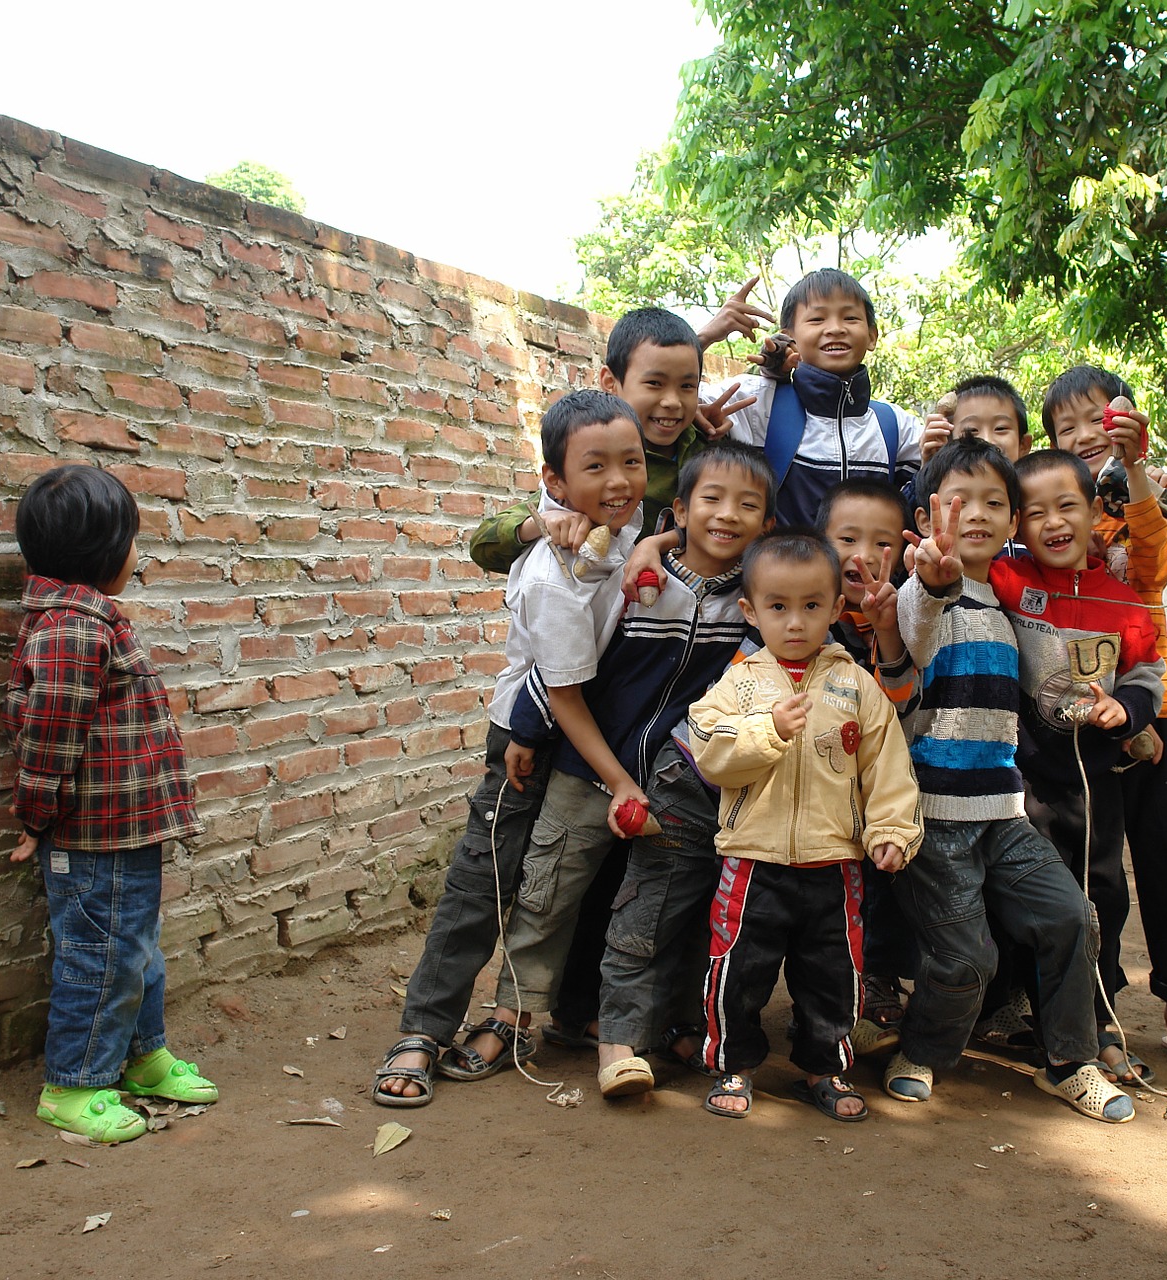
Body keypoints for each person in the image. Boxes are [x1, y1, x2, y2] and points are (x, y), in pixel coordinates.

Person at [371, 389, 647, 1106]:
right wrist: (616, 778)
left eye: (632, 462)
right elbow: (562, 696)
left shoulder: (627, 518)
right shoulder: (550, 577)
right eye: (596, 467)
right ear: (554, 483)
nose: (618, 480)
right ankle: (423, 1030)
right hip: (535, 728)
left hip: (580, 725)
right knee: (483, 881)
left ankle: (517, 1016)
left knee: (550, 886)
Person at [488, 443, 774, 1097]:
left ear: (767, 526)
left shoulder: (751, 610)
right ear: (678, 510)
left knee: (669, 907)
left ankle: (652, 1023)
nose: (728, 515)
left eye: (748, 505)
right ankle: (511, 1016)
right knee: (549, 894)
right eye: (712, 499)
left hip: (677, 791)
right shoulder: (634, 584)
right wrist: (528, 730)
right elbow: (568, 658)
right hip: (586, 770)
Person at [887, 437, 1134, 1122]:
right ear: (931, 510)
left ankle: (1069, 1063)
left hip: (1003, 811)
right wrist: (933, 579)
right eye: (960, 501)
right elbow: (914, 621)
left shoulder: (1003, 602)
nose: (978, 515)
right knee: (967, 957)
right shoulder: (925, 589)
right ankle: (922, 1052)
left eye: (997, 503)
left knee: (1069, 916)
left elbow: (1053, 668)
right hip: (933, 818)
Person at [5, 465, 215, 1143]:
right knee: (98, 957)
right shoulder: (71, 629)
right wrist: (36, 818)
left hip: (124, 829)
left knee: (136, 950)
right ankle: (74, 1083)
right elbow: (50, 735)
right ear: (101, 551)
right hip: (91, 836)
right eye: (129, 540)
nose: (136, 554)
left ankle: (143, 1056)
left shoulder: (90, 620)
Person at [685, 532, 923, 1120]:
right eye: (778, 607)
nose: (796, 622)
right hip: (753, 862)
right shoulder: (738, 683)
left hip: (834, 863)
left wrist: (891, 830)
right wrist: (767, 729)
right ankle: (733, 1065)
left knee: (833, 975)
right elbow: (709, 751)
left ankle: (824, 1068)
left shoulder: (856, 685)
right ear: (751, 610)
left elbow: (886, 766)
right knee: (738, 968)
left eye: (813, 606)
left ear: (836, 609)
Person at [1042, 366, 1167, 1075]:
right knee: (1096, 880)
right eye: (1067, 427)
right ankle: (1104, 1020)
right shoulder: (1050, 510)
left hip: (1160, 713)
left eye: (1098, 418)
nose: (1086, 434)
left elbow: (1154, 564)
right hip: (1082, 719)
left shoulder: (1148, 500)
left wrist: (1139, 469)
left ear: (1127, 420)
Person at [991, 449, 1166, 1083]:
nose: (1053, 523)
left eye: (1067, 506)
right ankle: (1029, 1013)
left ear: (1095, 512)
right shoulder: (1007, 581)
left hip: (1093, 787)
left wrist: (1128, 710)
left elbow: (1147, 675)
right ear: (1016, 524)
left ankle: (1100, 1016)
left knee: (1102, 898)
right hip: (1021, 782)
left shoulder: (1124, 602)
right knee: (1035, 902)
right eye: (1034, 513)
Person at [469, 306, 759, 570]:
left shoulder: (709, 446)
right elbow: (483, 544)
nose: (672, 401)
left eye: (687, 386)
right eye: (654, 384)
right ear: (610, 383)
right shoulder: (600, 460)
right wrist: (542, 523)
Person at [696, 267, 924, 529]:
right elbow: (665, 402)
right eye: (817, 320)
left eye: (850, 318)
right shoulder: (757, 402)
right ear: (788, 336)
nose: (835, 329)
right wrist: (706, 336)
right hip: (776, 568)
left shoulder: (896, 426)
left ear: (872, 336)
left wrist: (931, 457)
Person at [815, 478, 919, 1049]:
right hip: (818, 790)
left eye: (882, 543)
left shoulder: (904, 613)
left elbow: (897, 704)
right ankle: (833, 997)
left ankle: (877, 983)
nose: (864, 555)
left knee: (881, 886)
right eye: (847, 538)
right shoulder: (805, 612)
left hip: (876, 787)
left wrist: (886, 632)